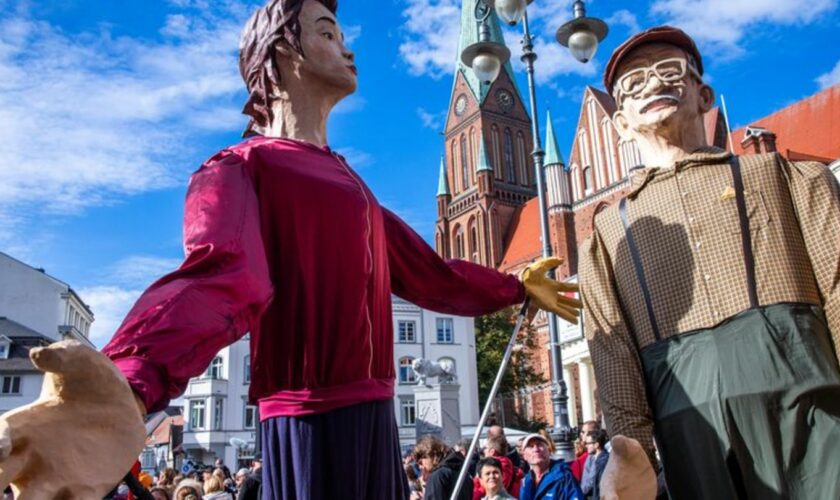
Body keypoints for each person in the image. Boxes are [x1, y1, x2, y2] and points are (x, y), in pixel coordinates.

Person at [0, 0, 582, 498]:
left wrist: (513, 285)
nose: (348, 49)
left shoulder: (353, 187)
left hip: (374, 413)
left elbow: (429, 274)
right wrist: (128, 379)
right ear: (282, 54)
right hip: (310, 419)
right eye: (327, 32)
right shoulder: (240, 166)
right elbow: (222, 277)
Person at [581, 25, 840, 500]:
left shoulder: (787, 177)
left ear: (703, 95)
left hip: (810, 403)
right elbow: (612, 349)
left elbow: (838, 280)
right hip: (691, 428)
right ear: (620, 125)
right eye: (632, 85)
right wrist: (630, 450)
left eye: (669, 71)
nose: (653, 84)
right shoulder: (609, 231)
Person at [518, 433, 582, 500]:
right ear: (524, 455)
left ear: (549, 450)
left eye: (539, 445)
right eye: (531, 446)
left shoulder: (564, 477)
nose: (536, 449)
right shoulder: (525, 481)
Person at [414, 435, 472, 500]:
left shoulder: (437, 476)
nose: (420, 467)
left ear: (430, 454)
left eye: (420, 462)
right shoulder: (463, 472)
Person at [472, 434, 522, 500]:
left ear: (492, 452)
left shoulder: (501, 466)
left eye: (485, 448)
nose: (483, 451)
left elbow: (493, 488)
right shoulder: (506, 465)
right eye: (488, 474)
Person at [580, 430, 609, 499]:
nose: (586, 446)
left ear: (596, 445)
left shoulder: (603, 461)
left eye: (588, 443)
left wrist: (580, 492)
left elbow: (591, 481)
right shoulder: (591, 457)